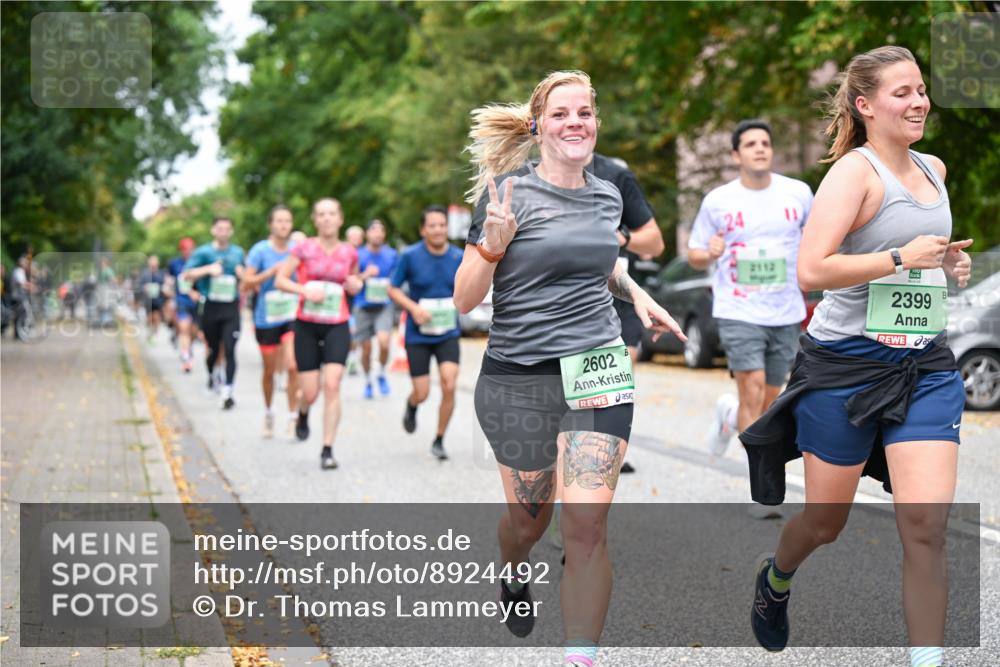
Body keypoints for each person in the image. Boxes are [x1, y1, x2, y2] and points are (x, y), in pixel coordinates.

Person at [740, 47, 972, 667]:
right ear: (865, 105)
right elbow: (812, 269)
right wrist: (901, 260)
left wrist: (947, 264)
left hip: (923, 366)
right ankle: (777, 578)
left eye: (921, 89)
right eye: (903, 92)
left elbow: (923, 255)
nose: (919, 101)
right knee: (825, 520)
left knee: (924, 528)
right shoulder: (853, 175)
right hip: (845, 367)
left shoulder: (934, 169)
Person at [455, 71, 684, 667]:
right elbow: (463, 299)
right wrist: (492, 247)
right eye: (561, 113)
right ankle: (511, 567)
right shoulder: (505, 194)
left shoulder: (608, 194)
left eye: (585, 111)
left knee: (586, 526)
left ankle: (579, 657)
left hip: (597, 364)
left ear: (595, 123)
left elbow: (594, 260)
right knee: (530, 522)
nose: (575, 122)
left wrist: (634, 291)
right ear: (539, 125)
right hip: (519, 376)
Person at [687, 120, 814, 456]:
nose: (760, 148)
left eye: (765, 143)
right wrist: (709, 253)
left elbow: (817, 241)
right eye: (750, 144)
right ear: (736, 155)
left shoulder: (798, 193)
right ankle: (759, 483)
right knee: (752, 387)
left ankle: (730, 416)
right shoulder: (718, 200)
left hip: (785, 308)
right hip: (737, 309)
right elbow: (694, 253)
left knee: (770, 398)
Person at [275, 198, 362, 470]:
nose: (326, 219)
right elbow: (280, 279)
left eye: (331, 214)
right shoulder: (303, 248)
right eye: (321, 214)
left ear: (340, 218)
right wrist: (303, 291)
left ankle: (327, 448)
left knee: (333, 385)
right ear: (315, 220)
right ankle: (303, 412)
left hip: (337, 323)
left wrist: (355, 285)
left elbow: (355, 282)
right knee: (310, 393)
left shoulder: (350, 252)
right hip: (307, 325)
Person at [388, 206, 463, 461]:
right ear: (423, 230)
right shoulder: (410, 255)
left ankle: (439, 439)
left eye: (442, 224)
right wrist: (413, 308)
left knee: (449, 383)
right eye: (432, 225)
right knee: (422, 392)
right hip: (418, 334)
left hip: (447, 332)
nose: (438, 229)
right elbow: (393, 289)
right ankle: (412, 405)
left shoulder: (458, 256)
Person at [245, 205, 300, 439]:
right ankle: (269, 412)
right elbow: (246, 284)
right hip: (266, 317)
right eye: (279, 221)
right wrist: (271, 273)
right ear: (271, 224)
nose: (283, 225)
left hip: (292, 315)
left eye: (287, 221)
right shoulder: (260, 250)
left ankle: (292, 417)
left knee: (292, 365)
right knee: (269, 371)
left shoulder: (298, 250)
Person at [182, 218, 246, 409]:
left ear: (231, 231)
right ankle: (212, 375)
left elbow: (245, 277)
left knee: (230, 348)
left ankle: (228, 391)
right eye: (220, 228)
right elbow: (186, 275)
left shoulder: (238, 252)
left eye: (227, 228)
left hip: (231, 306)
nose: (223, 232)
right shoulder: (203, 252)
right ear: (213, 230)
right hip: (210, 306)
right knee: (213, 349)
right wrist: (208, 269)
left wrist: (243, 276)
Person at [353, 219, 398, 399]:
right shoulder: (358, 254)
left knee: (384, 342)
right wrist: (365, 275)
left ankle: (380, 372)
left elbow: (397, 277)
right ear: (367, 234)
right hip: (362, 306)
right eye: (374, 230)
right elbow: (351, 280)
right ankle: (368, 380)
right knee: (365, 348)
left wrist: (391, 283)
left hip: (383, 305)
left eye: (381, 230)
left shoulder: (392, 254)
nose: (377, 233)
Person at [168, 238, 200, 373]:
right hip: (181, 300)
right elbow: (169, 279)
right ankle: (186, 357)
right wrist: (169, 293)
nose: (188, 252)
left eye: (190, 249)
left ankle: (188, 349)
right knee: (184, 327)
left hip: (197, 302)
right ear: (181, 250)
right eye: (185, 249)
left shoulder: (200, 262)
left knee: (193, 332)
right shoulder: (174, 264)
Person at [138, 255, 167, 342]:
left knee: (157, 318)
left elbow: (164, 284)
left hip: (158, 300)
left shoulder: (161, 274)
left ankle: (154, 334)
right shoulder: (145, 274)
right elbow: (139, 285)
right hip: (148, 300)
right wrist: (144, 288)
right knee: (149, 318)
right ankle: (150, 332)